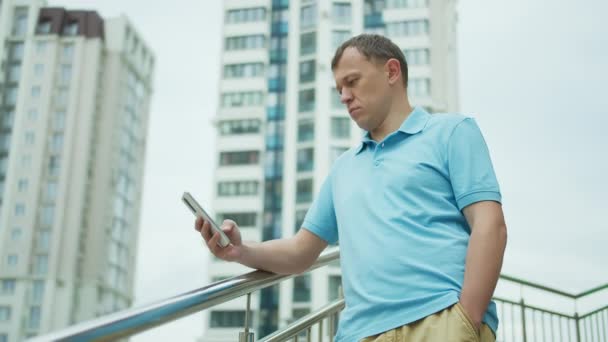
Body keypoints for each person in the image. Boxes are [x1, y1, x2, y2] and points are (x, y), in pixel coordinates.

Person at [196, 34, 507, 342]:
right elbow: (301, 251)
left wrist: (467, 319)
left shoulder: (452, 132)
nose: (344, 96)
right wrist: (241, 251)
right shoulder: (343, 168)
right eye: (339, 89)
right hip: (359, 333)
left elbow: (489, 224)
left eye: (352, 81)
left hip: (440, 321)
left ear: (392, 72)